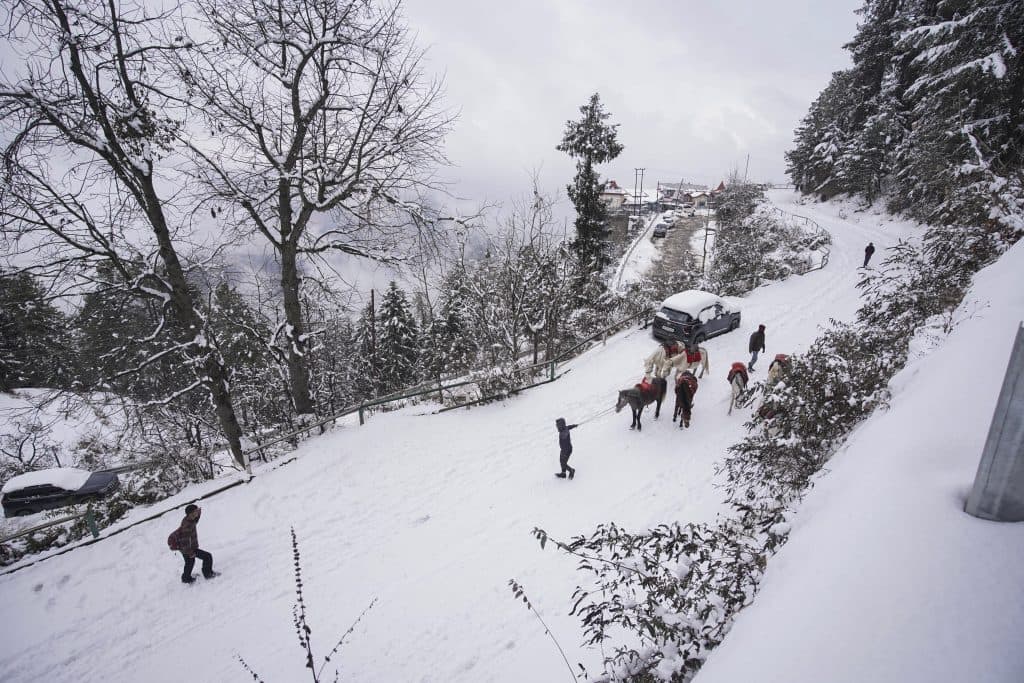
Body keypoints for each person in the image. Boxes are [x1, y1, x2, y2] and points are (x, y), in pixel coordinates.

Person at [175, 504, 217, 583]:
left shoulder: (189, 519)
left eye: (197, 511)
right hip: (188, 548)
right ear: (191, 513)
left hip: (186, 548)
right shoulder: (187, 525)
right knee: (207, 556)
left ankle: (186, 578)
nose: (197, 512)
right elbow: (185, 541)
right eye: (195, 511)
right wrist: (190, 552)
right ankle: (208, 574)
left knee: (190, 562)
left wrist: (198, 515)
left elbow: (195, 522)